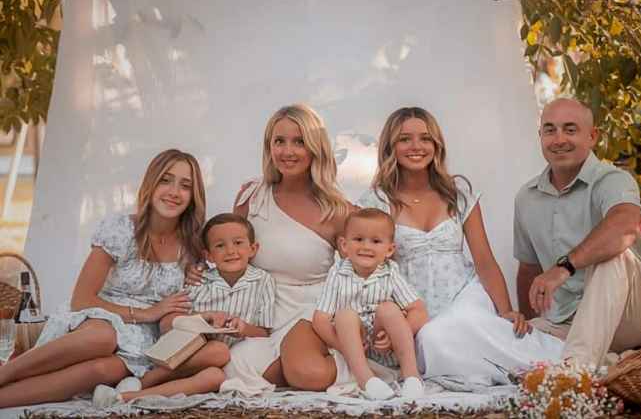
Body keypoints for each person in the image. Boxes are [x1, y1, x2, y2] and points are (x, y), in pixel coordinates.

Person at [358, 107, 562, 383]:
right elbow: (369, 271)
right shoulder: (376, 202)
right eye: (405, 139)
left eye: (425, 138)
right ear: (390, 147)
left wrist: (504, 311)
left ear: (436, 145)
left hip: (463, 294)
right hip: (413, 305)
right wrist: (385, 321)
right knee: (432, 339)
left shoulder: (459, 196)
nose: (416, 146)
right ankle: (517, 376)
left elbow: (484, 261)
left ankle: (561, 366)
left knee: (469, 326)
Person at [0, 149, 217, 408]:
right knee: (103, 337)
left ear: (193, 196)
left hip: (143, 340)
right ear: (151, 183)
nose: (174, 192)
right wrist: (147, 313)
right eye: (165, 180)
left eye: (185, 186)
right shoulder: (121, 229)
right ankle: (5, 373)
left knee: (104, 370)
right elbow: (81, 299)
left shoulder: (193, 245)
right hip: (100, 317)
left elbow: (231, 255)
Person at [186, 103, 354, 393]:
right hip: (260, 313)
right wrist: (199, 270)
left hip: (312, 312)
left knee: (306, 373)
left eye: (299, 142)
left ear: (316, 147)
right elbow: (231, 252)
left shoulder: (337, 209)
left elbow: (366, 265)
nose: (287, 151)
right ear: (269, 146)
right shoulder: (251, 197)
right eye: (279, 141)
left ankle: (351, 361)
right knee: (231, 366)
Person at [514, 97, 641, 367]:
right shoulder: (526, 198)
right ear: (540, 136)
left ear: (592, 136)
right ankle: (611, 362)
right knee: (508, 338)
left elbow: (625, 226)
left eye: (570, 129)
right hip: (569, 322)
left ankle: (574, 373)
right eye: (550, 130)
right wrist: (528, 324)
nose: (559, 139)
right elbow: (528, 270)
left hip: (637, 314)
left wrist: (563, 267)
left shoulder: (612, 180)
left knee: (613, 253)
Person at [92, 212, 274, 406]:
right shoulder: (199, 280)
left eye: (238, 243)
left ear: (253, 249)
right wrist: (201, 319)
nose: (230, 251)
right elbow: (167, 323)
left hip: (222, 364)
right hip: (185, 356)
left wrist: (244, 328)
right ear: (208, 255)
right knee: (218, 350)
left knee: (215, 377)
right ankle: (142, 381)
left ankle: (125, 396)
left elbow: (265, 332)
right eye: (220, 245)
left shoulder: (263, 281)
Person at [312, 208, 428, 400]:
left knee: (389, 309)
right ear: (344, 245)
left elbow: (419, 311)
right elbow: (320, 319)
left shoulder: (390, 272)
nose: (366, 246)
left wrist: (393, 336)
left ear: (389, 249)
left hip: (385, 349)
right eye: (358, 239)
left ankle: (412, 377)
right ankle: (366, 381)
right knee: (344, 315)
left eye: (375, 241)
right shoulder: (338, 273)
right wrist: (342, 346)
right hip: (354, 352)